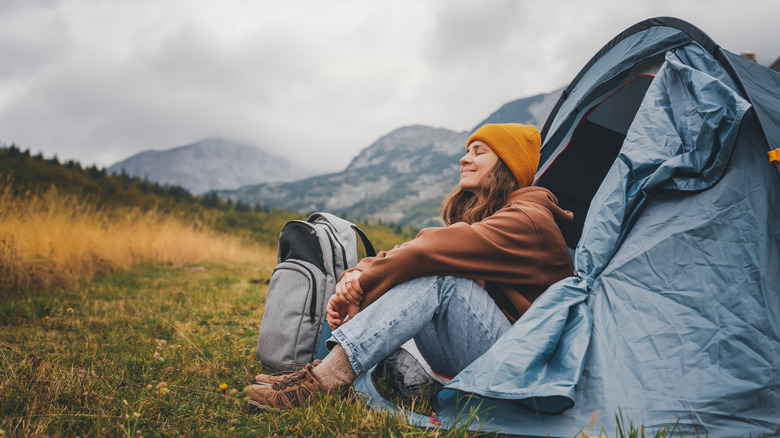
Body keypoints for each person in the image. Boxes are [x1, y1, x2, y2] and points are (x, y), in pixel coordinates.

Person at [248, 123, 574, 409]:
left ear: (507, 165)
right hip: (490, 358)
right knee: (429, 272)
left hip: (525, 375)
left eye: (479, 152)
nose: (464, 158)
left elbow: (430, 250)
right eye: (467, 150)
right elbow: (422, 251)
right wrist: (358, 272)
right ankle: (325, 368)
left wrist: (363, 280)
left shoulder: (529, 220)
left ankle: (325, 379)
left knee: (441, 279)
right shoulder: (497, 218)